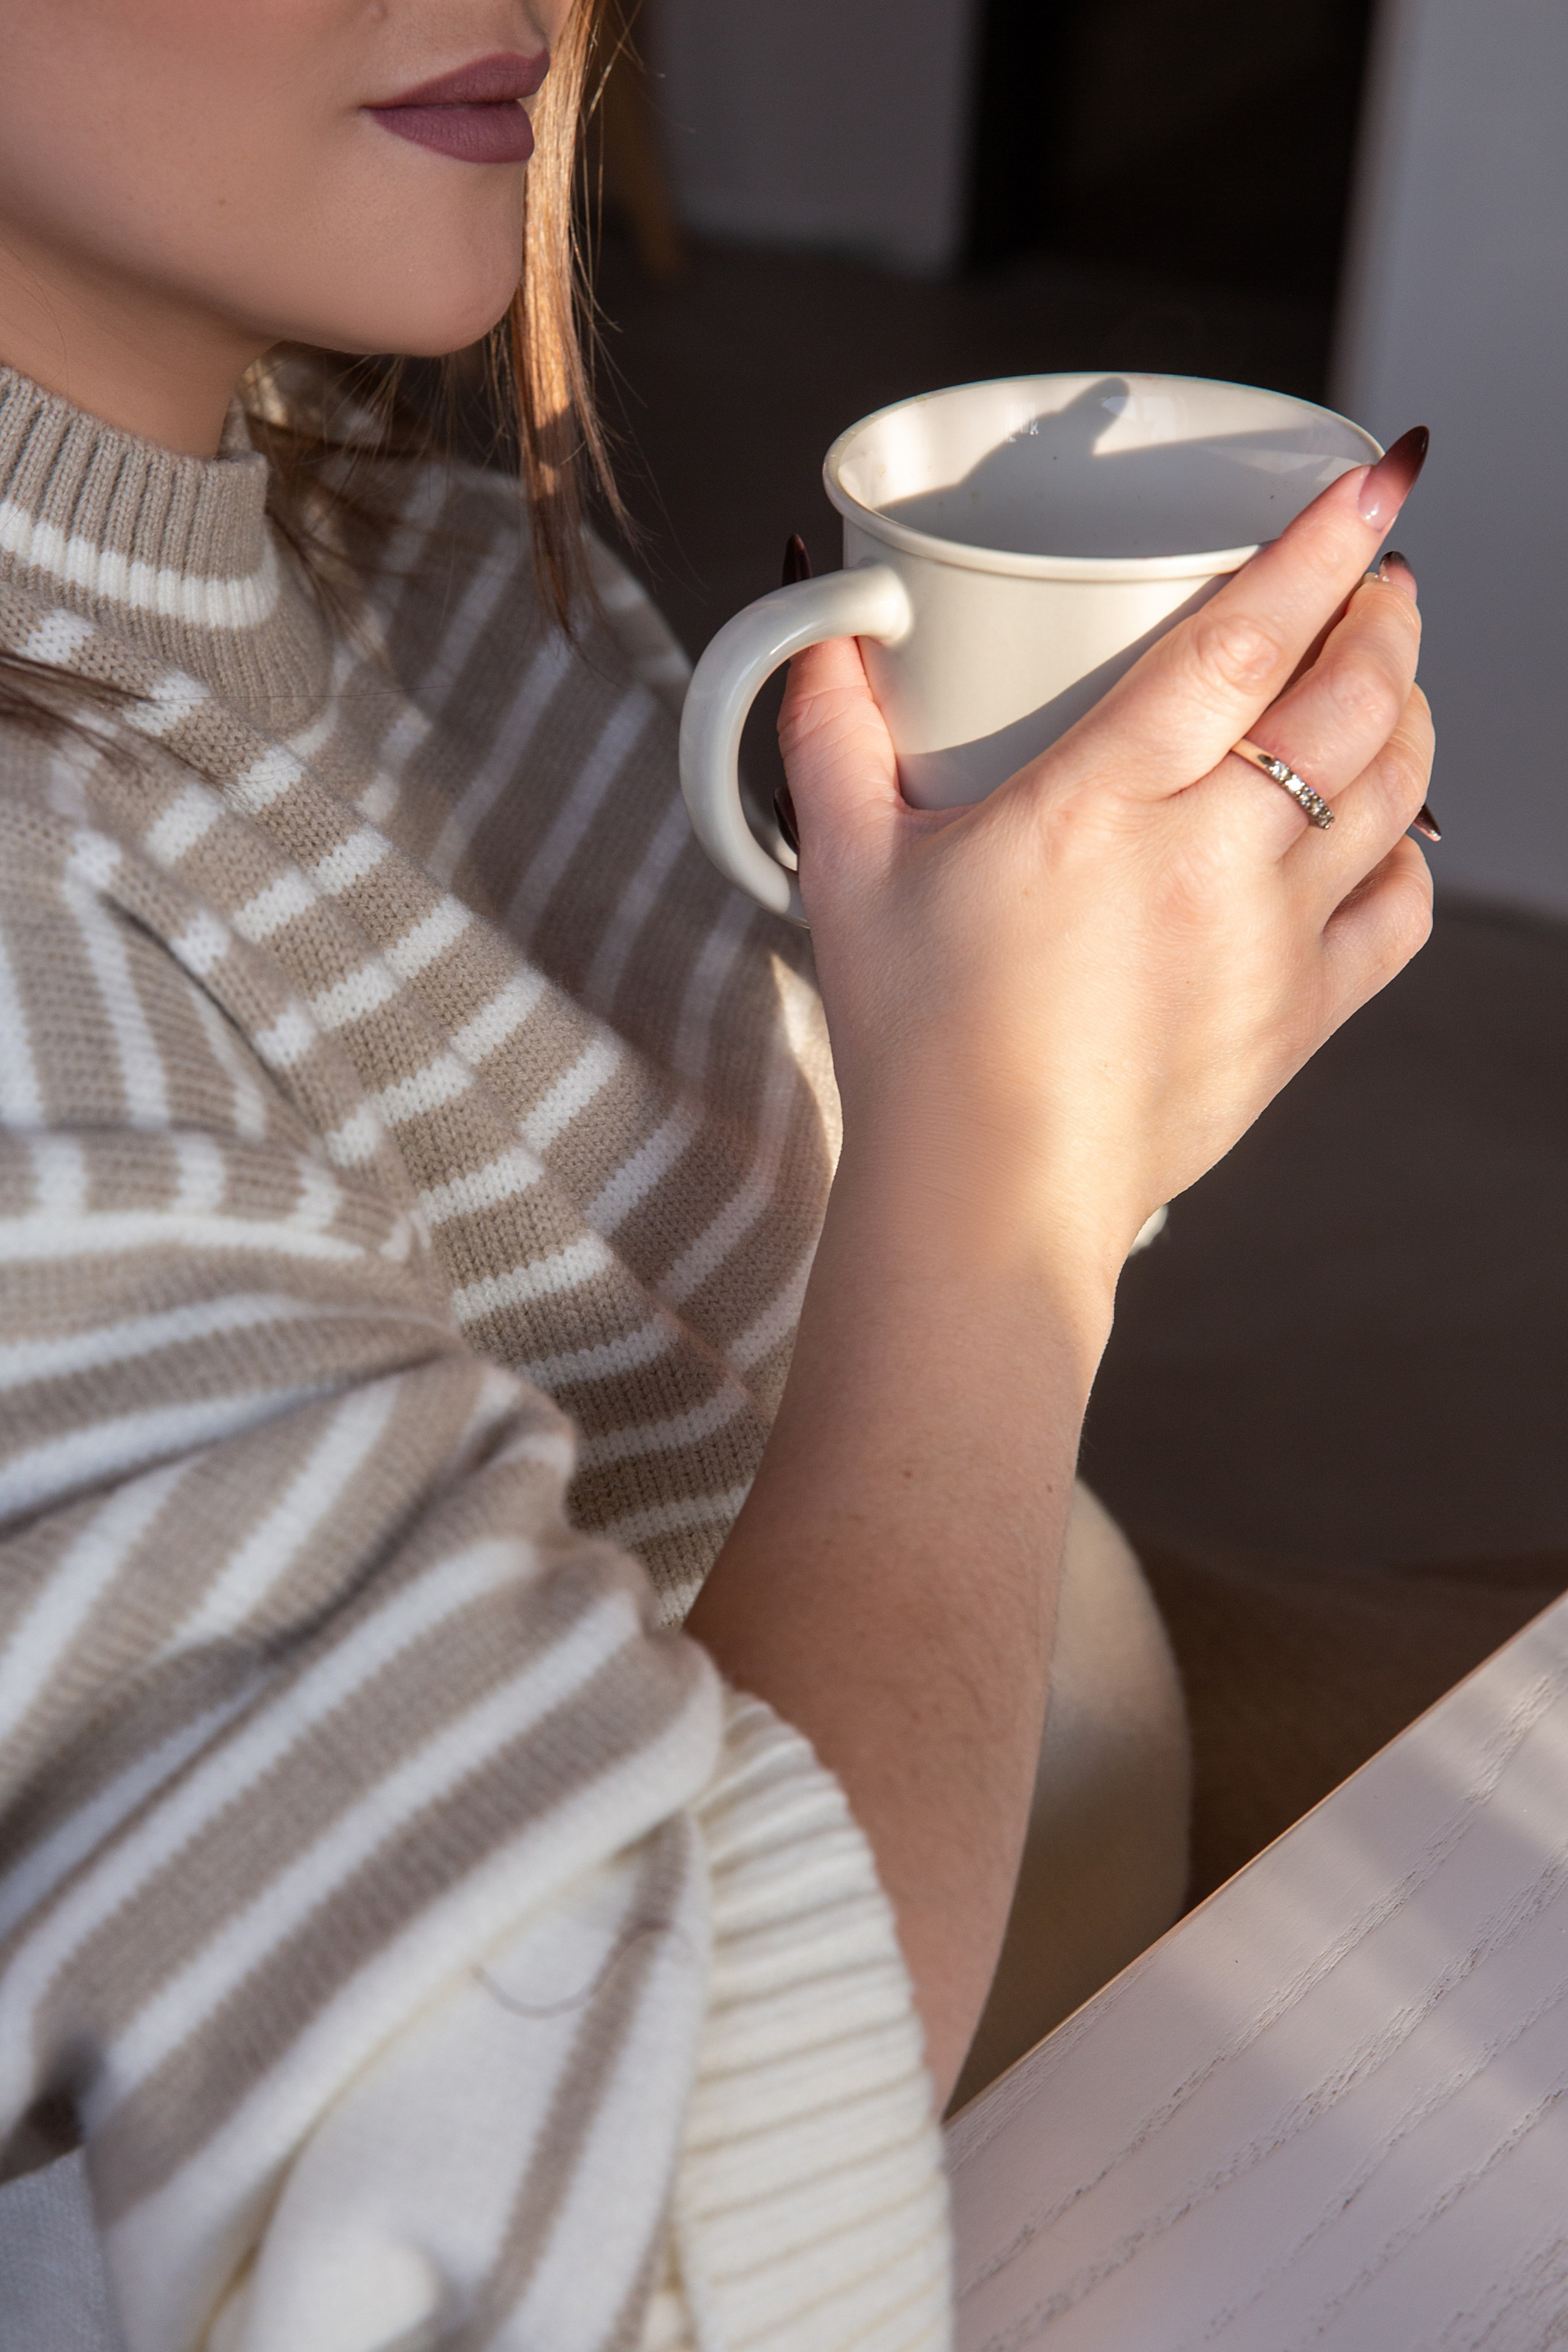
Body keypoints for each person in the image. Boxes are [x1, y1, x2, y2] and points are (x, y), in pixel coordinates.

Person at [0, 2, 1434, 2346]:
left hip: (1089, 1878)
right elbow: (614, 2251)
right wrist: (1009, 1202)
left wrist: (1067, 1043)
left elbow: (779, 1382)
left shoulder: (436, 578)